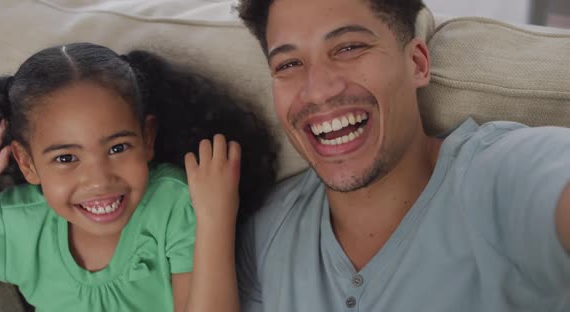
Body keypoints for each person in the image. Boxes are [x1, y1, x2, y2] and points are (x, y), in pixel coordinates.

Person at [235, 0, 570, 311]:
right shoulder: (265, 232)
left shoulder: (504, 176)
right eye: (289, 63)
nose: (318, 90)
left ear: (417, 64)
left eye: (349, 47)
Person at [0, 42, 277, 311]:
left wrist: (216, 220)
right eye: (66, 158)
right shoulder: (13, 224)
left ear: (147, 138)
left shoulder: (175, 204)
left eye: (117, 148)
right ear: (26, 163)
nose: (98, 180)